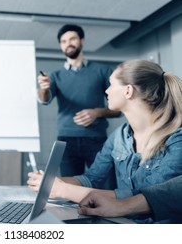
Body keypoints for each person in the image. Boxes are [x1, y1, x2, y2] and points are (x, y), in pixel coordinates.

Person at [29, 59, 182, 223]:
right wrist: (52, 182)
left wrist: (64, 190)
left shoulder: (176, 139)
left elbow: (146, 196)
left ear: (128, 91)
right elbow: (93, 178)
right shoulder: (119, 136)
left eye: (111, 85)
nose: (107, 91)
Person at [37, 24, 120, 180]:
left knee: (105, 184)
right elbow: (44, 100)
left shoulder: (102, 71)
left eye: (72, 38)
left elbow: (119, 108)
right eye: (63, 41)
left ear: (81, 41)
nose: (68, 43)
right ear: (61, 46)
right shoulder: (55, 76)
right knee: (70, 189)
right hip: (66, 142)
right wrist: (43, 87)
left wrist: (97, 112)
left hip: (97, 139)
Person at [78, 174, 182, 223]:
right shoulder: (120, 135)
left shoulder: (177, 141)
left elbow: (151, 187)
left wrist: (125, 204)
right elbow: (91, 177)